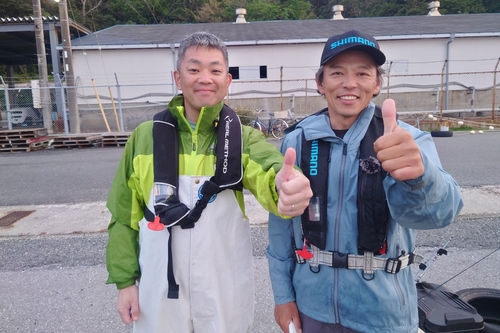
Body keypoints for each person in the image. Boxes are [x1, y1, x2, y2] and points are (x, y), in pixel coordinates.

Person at [105, 31, 313, 333]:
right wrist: (125, 282)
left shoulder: (244, 138)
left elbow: (271, 172)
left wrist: (287, 187)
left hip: (223, 289)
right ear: (178, 78)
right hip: (159, 289)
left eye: (215, 70)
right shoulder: (145, 137)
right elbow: (124, 216)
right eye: (194, 69)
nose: (205, 78)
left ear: (227, 81)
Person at [266, 29, 464, 333]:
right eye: (337, 73)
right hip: (312, 310)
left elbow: (442, 214)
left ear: (377, 83)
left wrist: (422, 176)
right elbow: (281, 227)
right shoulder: (297, 140)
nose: (349, 83)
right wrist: (283, 296)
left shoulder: (405, 139)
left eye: (362, 73)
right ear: (320, 83)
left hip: (384, 315)